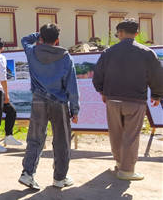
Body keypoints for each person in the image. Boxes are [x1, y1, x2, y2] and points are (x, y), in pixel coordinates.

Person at [93, 18, 163, 181]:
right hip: (135, 100)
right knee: (131, 135)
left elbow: (98, 75)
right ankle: (127, 170)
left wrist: (102, 91)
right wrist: (156, 95)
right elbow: (157, 75)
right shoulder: (147, 53)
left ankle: (118, 162)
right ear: (137, 33)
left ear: (121, 33)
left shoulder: (108, 52)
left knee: (116, 132)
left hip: (112, 99)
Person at [19, 23, 79, 190]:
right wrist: (75, 109)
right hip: (59, 103)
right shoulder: (66, 57)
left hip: (38, 100)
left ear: (41, 39)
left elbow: (24, 39)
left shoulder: (32, 52)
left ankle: (28, 173)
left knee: (35, 137)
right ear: (58, 40)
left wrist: (40, 34)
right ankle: (59, 178)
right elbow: (72, 86)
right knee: (62, 140)